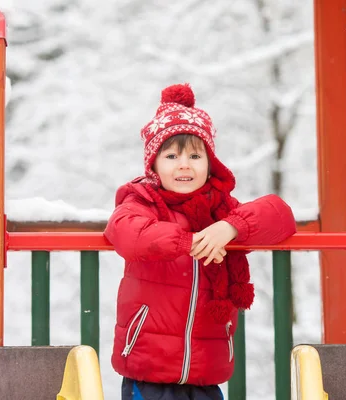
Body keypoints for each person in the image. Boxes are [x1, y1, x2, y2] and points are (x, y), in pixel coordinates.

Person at [104, 83, 297, 400]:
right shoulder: (143, 203)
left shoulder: (219, 210)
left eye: (195, 155)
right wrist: (188, 241)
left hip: (206, 372)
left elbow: (280, 215)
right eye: (171, 156)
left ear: (210, 164)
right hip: (149, 368)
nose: (184, 164)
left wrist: (229, 227)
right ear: (153, 165)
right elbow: (126, 232)